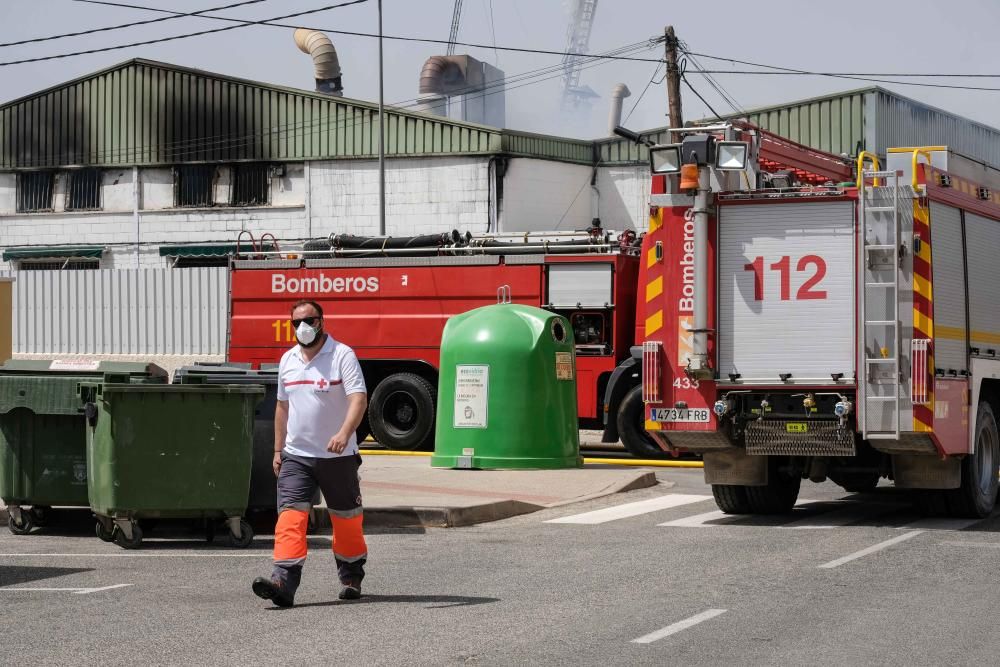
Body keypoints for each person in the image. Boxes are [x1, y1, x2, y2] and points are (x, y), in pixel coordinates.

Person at [252, 299, 368, 608]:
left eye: (310, 320)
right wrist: (278, 449)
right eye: (297, 322)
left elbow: (358, 398)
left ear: (322, 321)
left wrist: (344, 433)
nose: (303, 326)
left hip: (338, 457)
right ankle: (282, 582)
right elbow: (282, 407)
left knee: (346, 520)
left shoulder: (342, 355)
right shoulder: (288, 360)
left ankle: (351, 575)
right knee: (290, 517)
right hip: (296, 456)